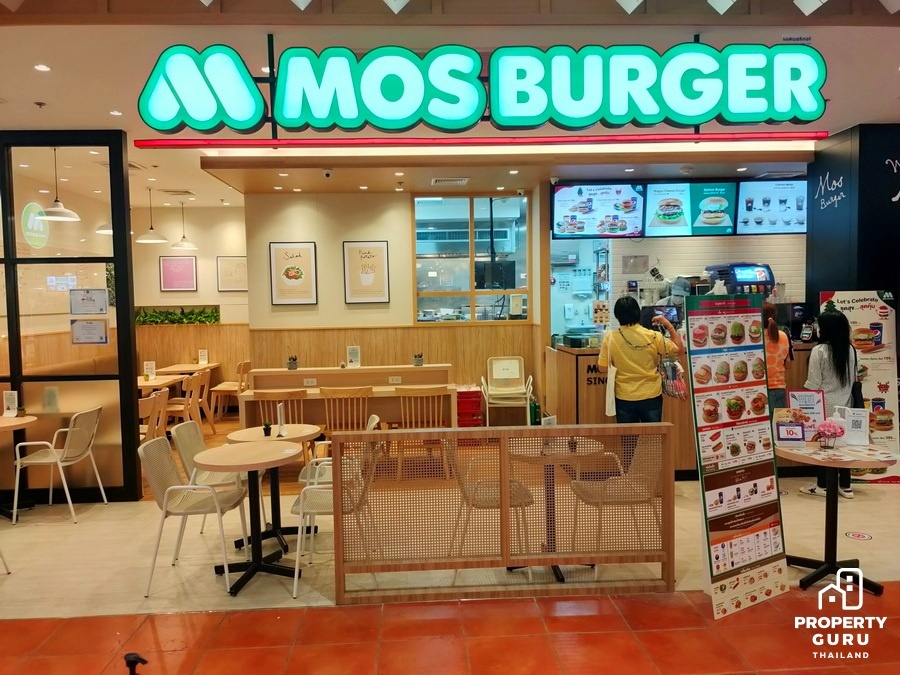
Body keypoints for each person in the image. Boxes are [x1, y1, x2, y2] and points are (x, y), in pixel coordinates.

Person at [597, 295, 685, 423]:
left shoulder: (610, 338)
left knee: (628, 436)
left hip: (624, 396)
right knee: (652, 434)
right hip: (651, 394)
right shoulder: (654, 336)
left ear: (617, 316)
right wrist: (668, 325)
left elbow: (602, 368)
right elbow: (680, 350)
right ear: (638, 313)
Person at [800, 310, 857, 499]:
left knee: (824, 446)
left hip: (823, 406)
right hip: (846, 406)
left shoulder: (819, 351)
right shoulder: (850, 350)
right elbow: (854, 379)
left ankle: (822, 485)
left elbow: (813, 383)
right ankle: (846, 486)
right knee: (843, 446)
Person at [763, 302, 792, 411]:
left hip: (756, 388)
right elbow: (788, 365)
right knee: (778, 421)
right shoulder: (783, 335)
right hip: (778, 389)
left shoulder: (754, 338)